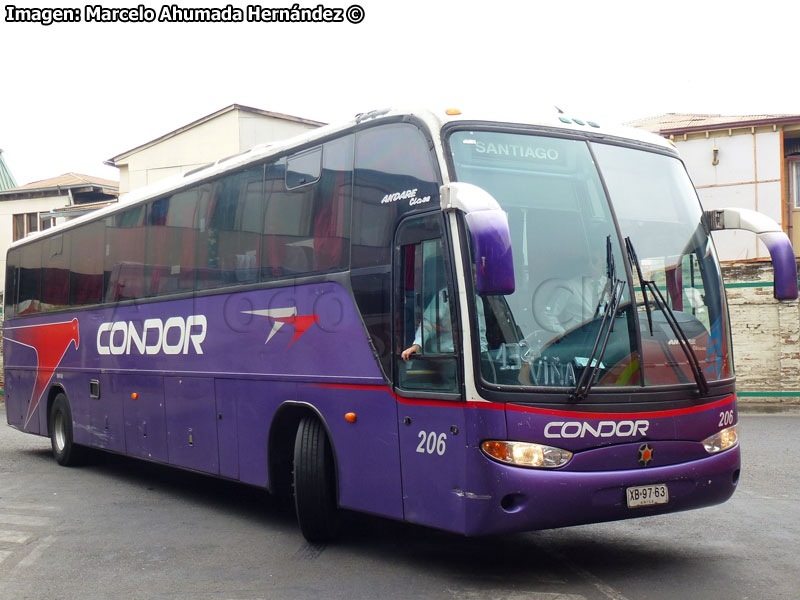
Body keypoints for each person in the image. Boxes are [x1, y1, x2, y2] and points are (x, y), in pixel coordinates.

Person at [401, 288, 487, 361]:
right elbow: (428, 324)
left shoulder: (476, 299)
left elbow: (480, 332)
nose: (475, 276)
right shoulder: (444, 296)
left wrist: (482, 355)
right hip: (446, 357)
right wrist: (417, 345)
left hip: (471, 357)